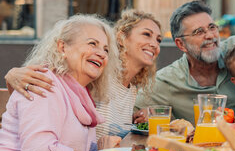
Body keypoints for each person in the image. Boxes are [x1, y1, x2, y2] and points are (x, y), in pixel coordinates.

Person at [0, 14, 119, 151]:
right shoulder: (42, 82)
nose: (102, 53)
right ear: (62, 47)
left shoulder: (79, 94)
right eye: (92, 43)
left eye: (105, 49)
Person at [4, 10, 163, 140]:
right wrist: (12, 75)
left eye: (159, 40)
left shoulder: (131, 89)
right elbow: (40, 98)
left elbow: (115, 132)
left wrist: (141, 120)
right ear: (121, 37)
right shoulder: (96, 76)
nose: (154, 44)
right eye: (146, 34)